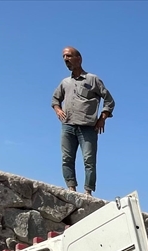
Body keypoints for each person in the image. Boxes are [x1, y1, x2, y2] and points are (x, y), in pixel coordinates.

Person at [51, 47, 114, 196]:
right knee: (67, 158)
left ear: (78, 58)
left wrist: (102, 118)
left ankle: (88, 191)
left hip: (88, 127)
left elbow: (109, 100)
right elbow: (55, 99)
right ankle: (71, 188)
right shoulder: (65, 82)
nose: (65, 59)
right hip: (68, 125)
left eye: (68, 56)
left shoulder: (92, 79)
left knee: (89, 160)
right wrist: (58, 110)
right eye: (63, 57)